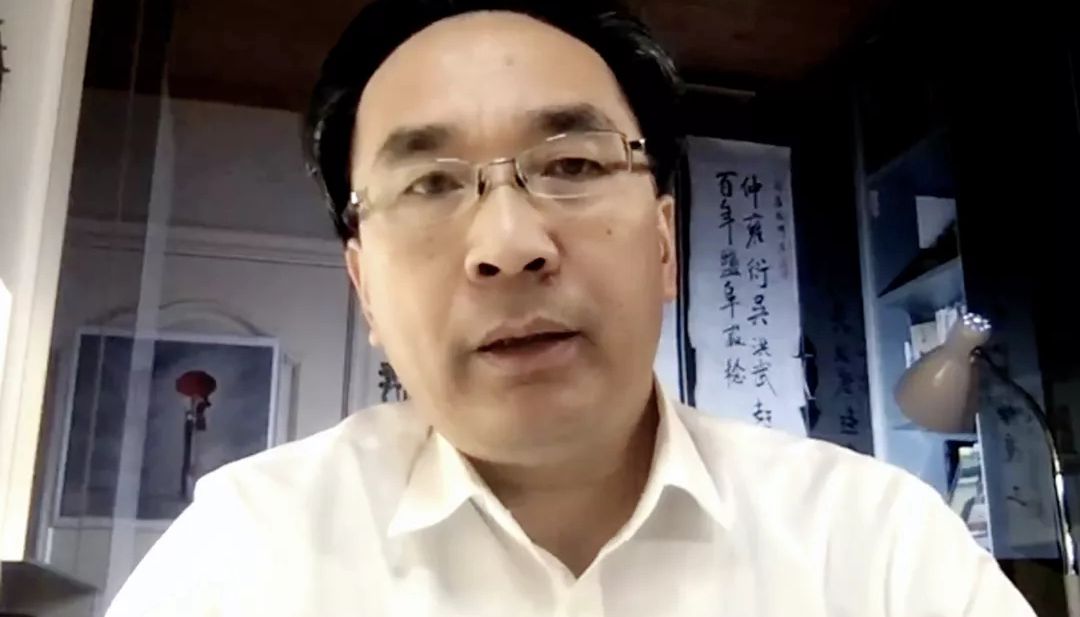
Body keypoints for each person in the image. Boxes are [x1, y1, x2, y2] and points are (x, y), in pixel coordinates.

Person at [106, 1, 1036, 615]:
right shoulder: (244, 557)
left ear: (664, 243)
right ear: (366, 290)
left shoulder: (877, 546)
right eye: (429, 184)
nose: (508, 242)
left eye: (574, 164)